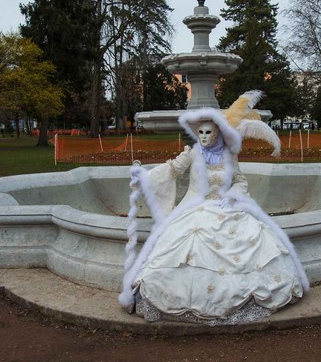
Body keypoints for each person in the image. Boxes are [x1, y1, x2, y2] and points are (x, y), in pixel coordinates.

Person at [119, 91, 309, 325]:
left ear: (218, 132)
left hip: (228, 209)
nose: (204, 137)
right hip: (195, 209)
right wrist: (144, 175)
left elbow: (240, 180)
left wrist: (233, 195)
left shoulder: (230, 156)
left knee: (253, 240)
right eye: (200, 132)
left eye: (209, 132)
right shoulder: (193, 153)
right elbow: (172, 169)